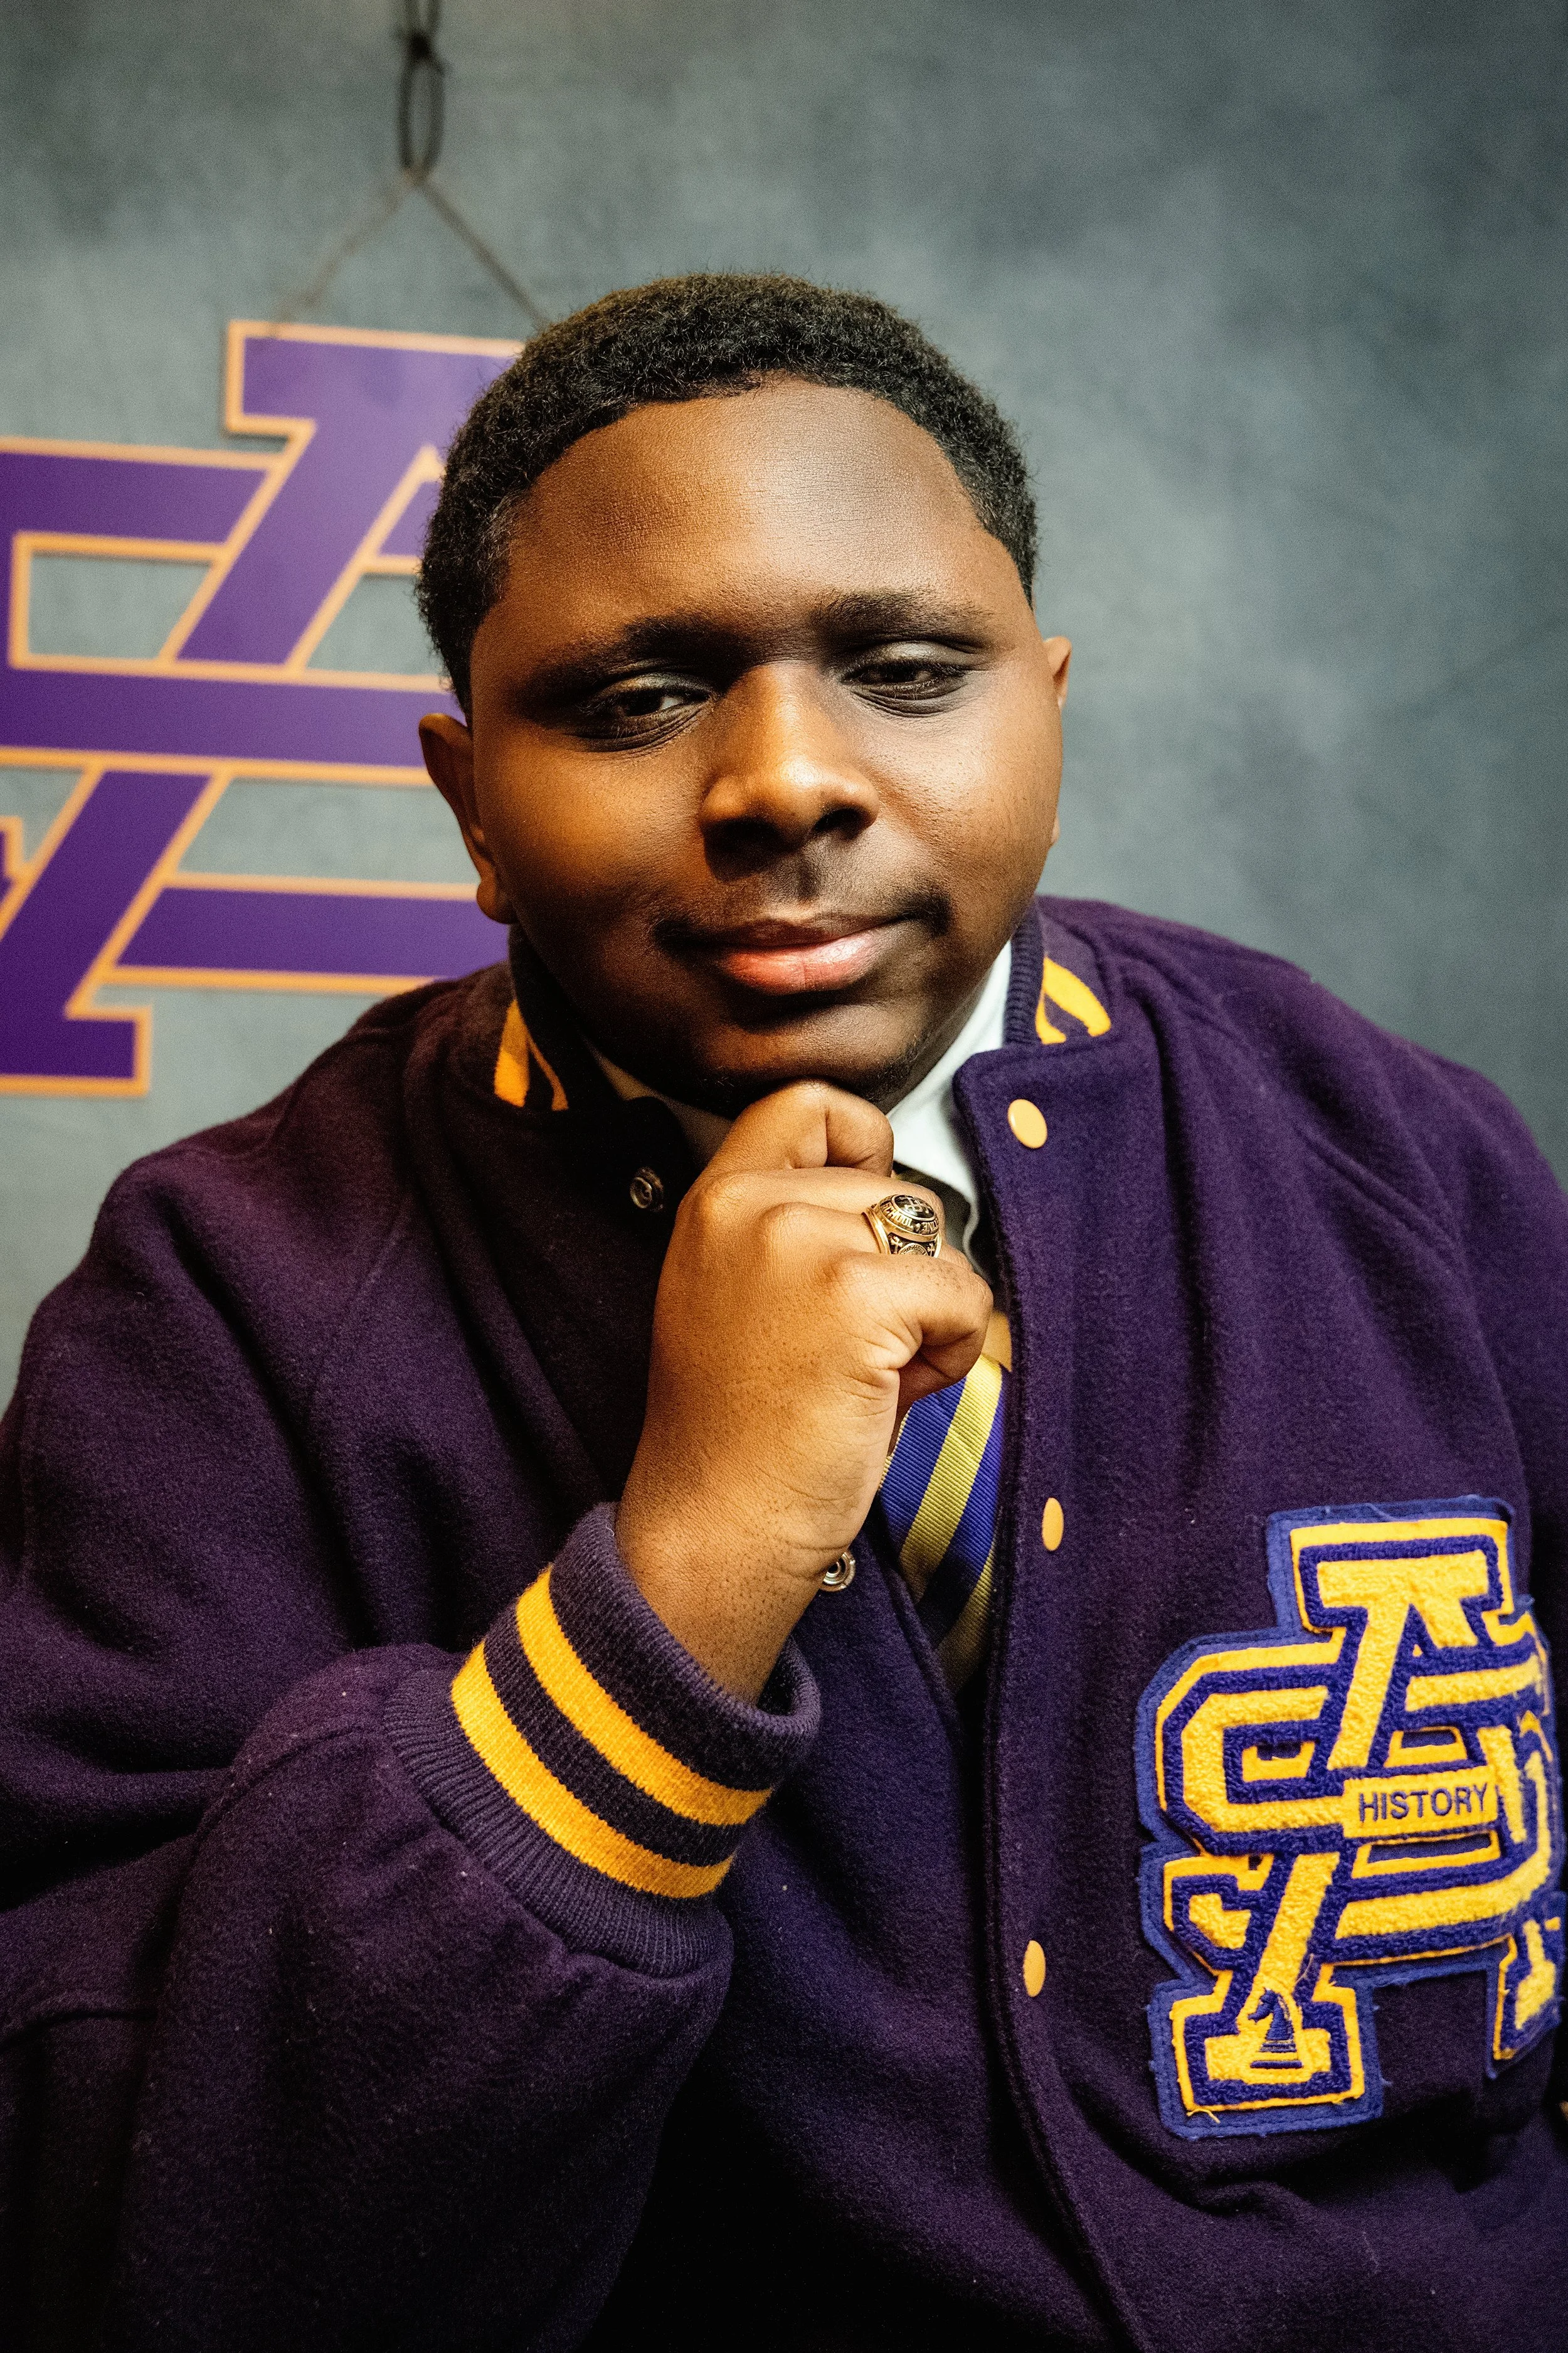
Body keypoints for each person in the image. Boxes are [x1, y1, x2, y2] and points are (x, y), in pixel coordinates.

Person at [2, 272, 1565, 2353]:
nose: (786, 783)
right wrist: (681, 1571)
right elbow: (135, 2240)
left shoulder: (1398, 1154)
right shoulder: (215, 1303)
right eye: (638, 701)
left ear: (1048, 695)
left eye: (911, 670)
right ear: (468, 805)